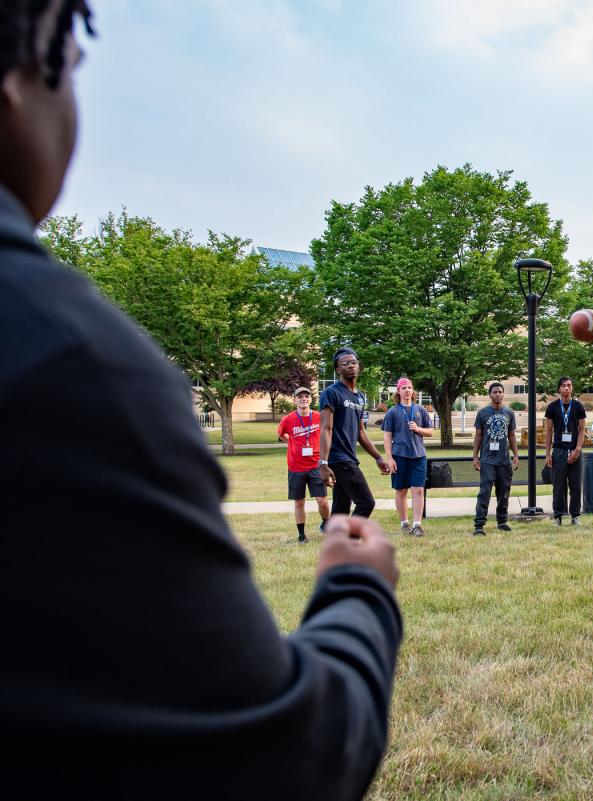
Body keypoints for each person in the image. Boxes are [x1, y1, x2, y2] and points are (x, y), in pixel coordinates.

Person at [0, 5, 403, 798]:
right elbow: (284, 755)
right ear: (20, 77)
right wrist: (358, 589)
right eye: (72, 60)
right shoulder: (70, 361)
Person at [319, 347, 391, 517]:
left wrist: (378, 458)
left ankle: (337, 540)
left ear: (359, 367)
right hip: (339, 458)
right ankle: (351, 540)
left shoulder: (359, 396)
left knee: (341, 508)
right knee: (366, 503)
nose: (350, 366)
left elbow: (361, 431)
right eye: (345, 363)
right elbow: (326, 428)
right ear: (338, 370)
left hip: (350, 457)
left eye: (353, 362)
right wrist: (323, 463)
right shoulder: (331, 393)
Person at [277, 386, 330, 542]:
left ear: (311, 400)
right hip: (296, 467)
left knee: (322, 500)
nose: (303, 399)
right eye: (300, 396)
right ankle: (301, 535)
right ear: (295, 400)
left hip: (315, 465)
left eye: (307, 396)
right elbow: (281, 435)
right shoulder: (288, 419)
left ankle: (326, 523)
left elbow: (327, 433)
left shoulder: (319, 417)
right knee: (299, 501)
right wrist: (292, 443)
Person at [382, 377, 434, 537]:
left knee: (418, 489)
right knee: (401, 490)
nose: (407, 390)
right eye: (404, 388)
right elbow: (387, 437)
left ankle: (417, 525)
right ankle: (404, 523)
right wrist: (389, 458)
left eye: (410, 388)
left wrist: (418, 429)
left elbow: (430, 432)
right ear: (398, 391)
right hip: (400, 456)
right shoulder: (393, 412)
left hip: (419, 456)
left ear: (413, 391)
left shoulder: (420, 410)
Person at [472, 382, 519, 536]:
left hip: (504, 460)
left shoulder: (509, 413)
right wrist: (475, 456)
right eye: (495, 392)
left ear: (503, 394)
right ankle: (479, 525)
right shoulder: (483, 413)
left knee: (504, 492)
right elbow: (478, 436)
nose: (498, 394)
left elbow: (511, 436)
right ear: (490, 394)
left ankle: (502, 521)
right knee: (485, 492)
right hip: (487, 460)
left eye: (500, 392)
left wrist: (516, 455)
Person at [544, 376, 587, 525]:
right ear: (559, 389)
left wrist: (578, 449)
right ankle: (558, 516)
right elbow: (549, 431)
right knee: (558, 486)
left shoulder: (578, 406)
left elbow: (582, 429)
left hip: (575, 450)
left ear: (572, 388)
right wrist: (548, 454)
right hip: (559, 451)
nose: (566, 388)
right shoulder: (552, 407)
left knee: (575, 485)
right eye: (563, 386)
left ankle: (575, 516)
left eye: (569, 385)